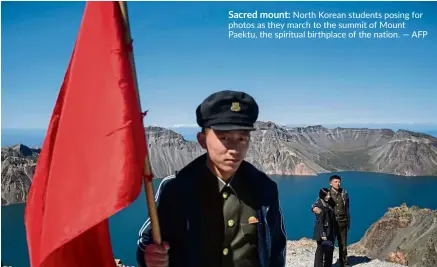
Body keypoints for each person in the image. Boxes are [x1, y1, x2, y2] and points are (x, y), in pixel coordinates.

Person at [136, 90, 287, 267]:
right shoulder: (175, 188)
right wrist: (149, 257)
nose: (234, 148)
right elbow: (147, 242)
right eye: (224, 138)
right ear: (202, 140)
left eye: (242, 138)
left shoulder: (264, 188)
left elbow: (276, 246)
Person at [311, 175, 350, 267]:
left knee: (343, 244)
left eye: (339, 182)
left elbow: (347, 208)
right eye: (335, 182)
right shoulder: (327, 193)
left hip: (342, 222)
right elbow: (316, 203)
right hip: (331, 224)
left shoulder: (344, 193)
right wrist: (313, 208)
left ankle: (343, 263)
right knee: (329, 245)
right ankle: (327, 263)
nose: (338, 184)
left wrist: (348, 221)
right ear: (330, 183)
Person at [313, 188, 336, 267]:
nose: (329, 196)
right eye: (327, 195)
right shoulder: (320, 206)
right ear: (322, 195)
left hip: (329, 231)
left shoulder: (326, 203)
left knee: (329, 251)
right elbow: (320, 222)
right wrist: (323, 234)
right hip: (322, 233)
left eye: (329, 194)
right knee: (320, 251)